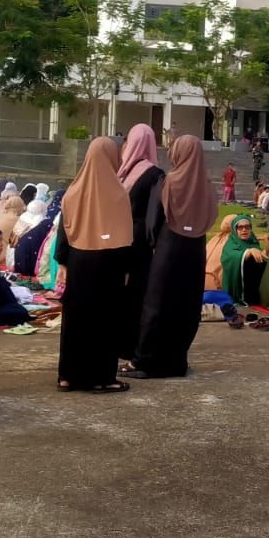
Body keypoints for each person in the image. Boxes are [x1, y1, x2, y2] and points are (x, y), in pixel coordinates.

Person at [127, 134, 216, 378]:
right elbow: (211, 218)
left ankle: (144, 362)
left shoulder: (168, 182)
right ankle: (176, 361)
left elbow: (153, 221)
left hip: (168, 247)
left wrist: (154, 243)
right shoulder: (207, 187)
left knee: (156, 304)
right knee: (186, 306)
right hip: (195, 249)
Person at [54, 138, 134, 392]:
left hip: (79, 260)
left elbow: (63, 232)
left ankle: (68, 376)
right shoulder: (119, 194)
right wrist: (126, 268)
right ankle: (102, 378)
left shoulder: (73, 192)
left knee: (76, 318)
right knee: (105, 319)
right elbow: (124, 236)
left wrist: (64, 264)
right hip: (109, 262)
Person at [115, 124, 165, 363]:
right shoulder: (155, 174)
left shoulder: (121, 171)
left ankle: (115, 341)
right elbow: (155, 213)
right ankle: (131, 344)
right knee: (138, 293)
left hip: (116, 237)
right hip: (140, 241)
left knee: (119, 291)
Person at [218, 214, 267, 308]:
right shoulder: (231, 244)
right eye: (240, 227)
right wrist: (248, 252)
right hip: (238, 291)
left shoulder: (253, 241)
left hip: (255, 291)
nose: (244, 230)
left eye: (247, 227)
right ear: (235, 229)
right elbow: (228, 258)